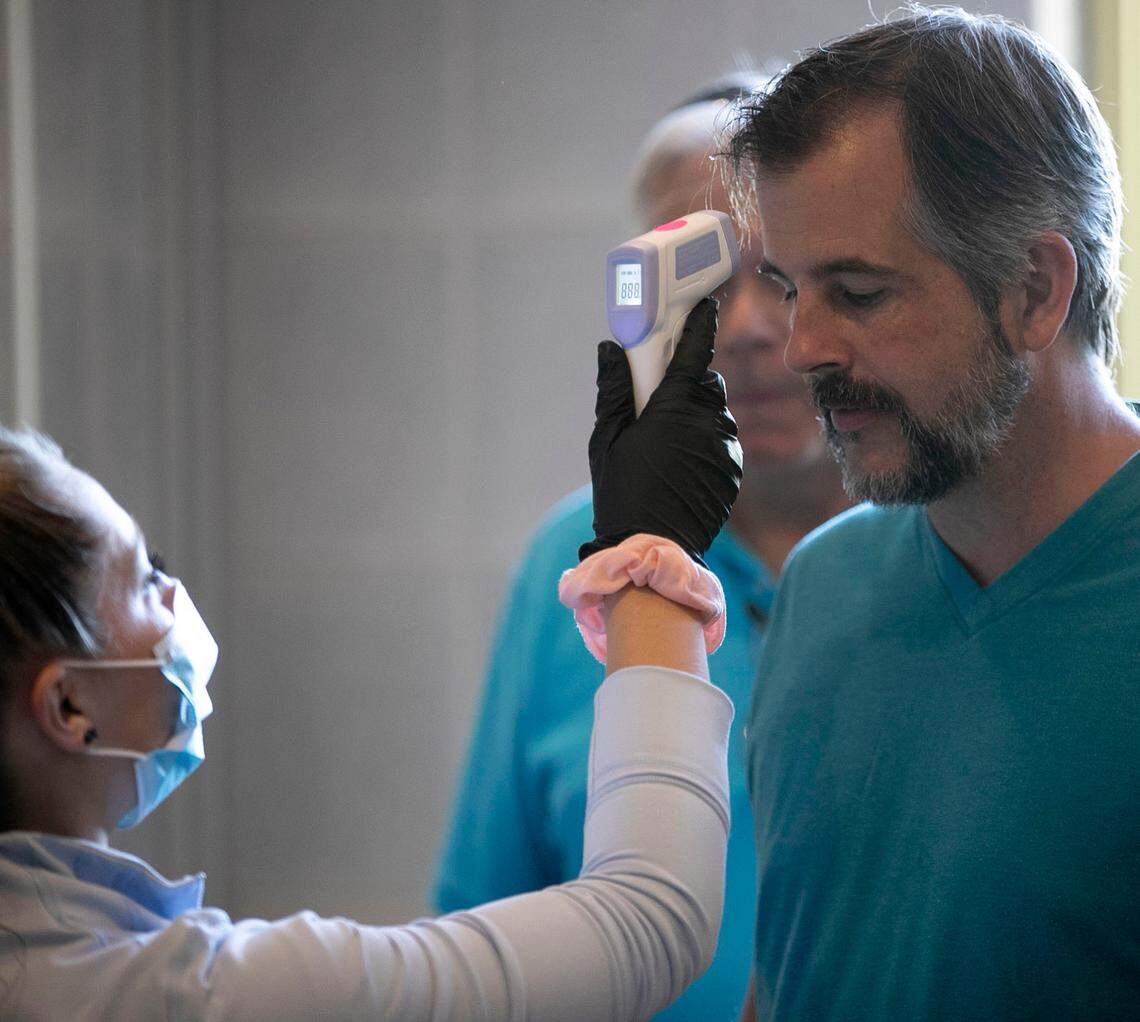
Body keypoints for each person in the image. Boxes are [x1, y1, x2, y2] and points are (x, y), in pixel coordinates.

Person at [0, 299, 744, 1020]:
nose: (172, 595)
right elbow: (648, 921)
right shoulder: (170, 997)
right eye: (140, 577)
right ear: (68, 707)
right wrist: (653, 539)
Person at [725, 8, 1140, 1019]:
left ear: (1034, 290)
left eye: (858, 293)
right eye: (792, 288)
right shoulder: (823, 587)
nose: (800, 348)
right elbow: (784, 981)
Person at [433, 74, 849, 1022]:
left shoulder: (947, 549)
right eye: (700, 279)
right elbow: (480, 922)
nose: (746, 327)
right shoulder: (570, 569)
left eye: (782, 276)